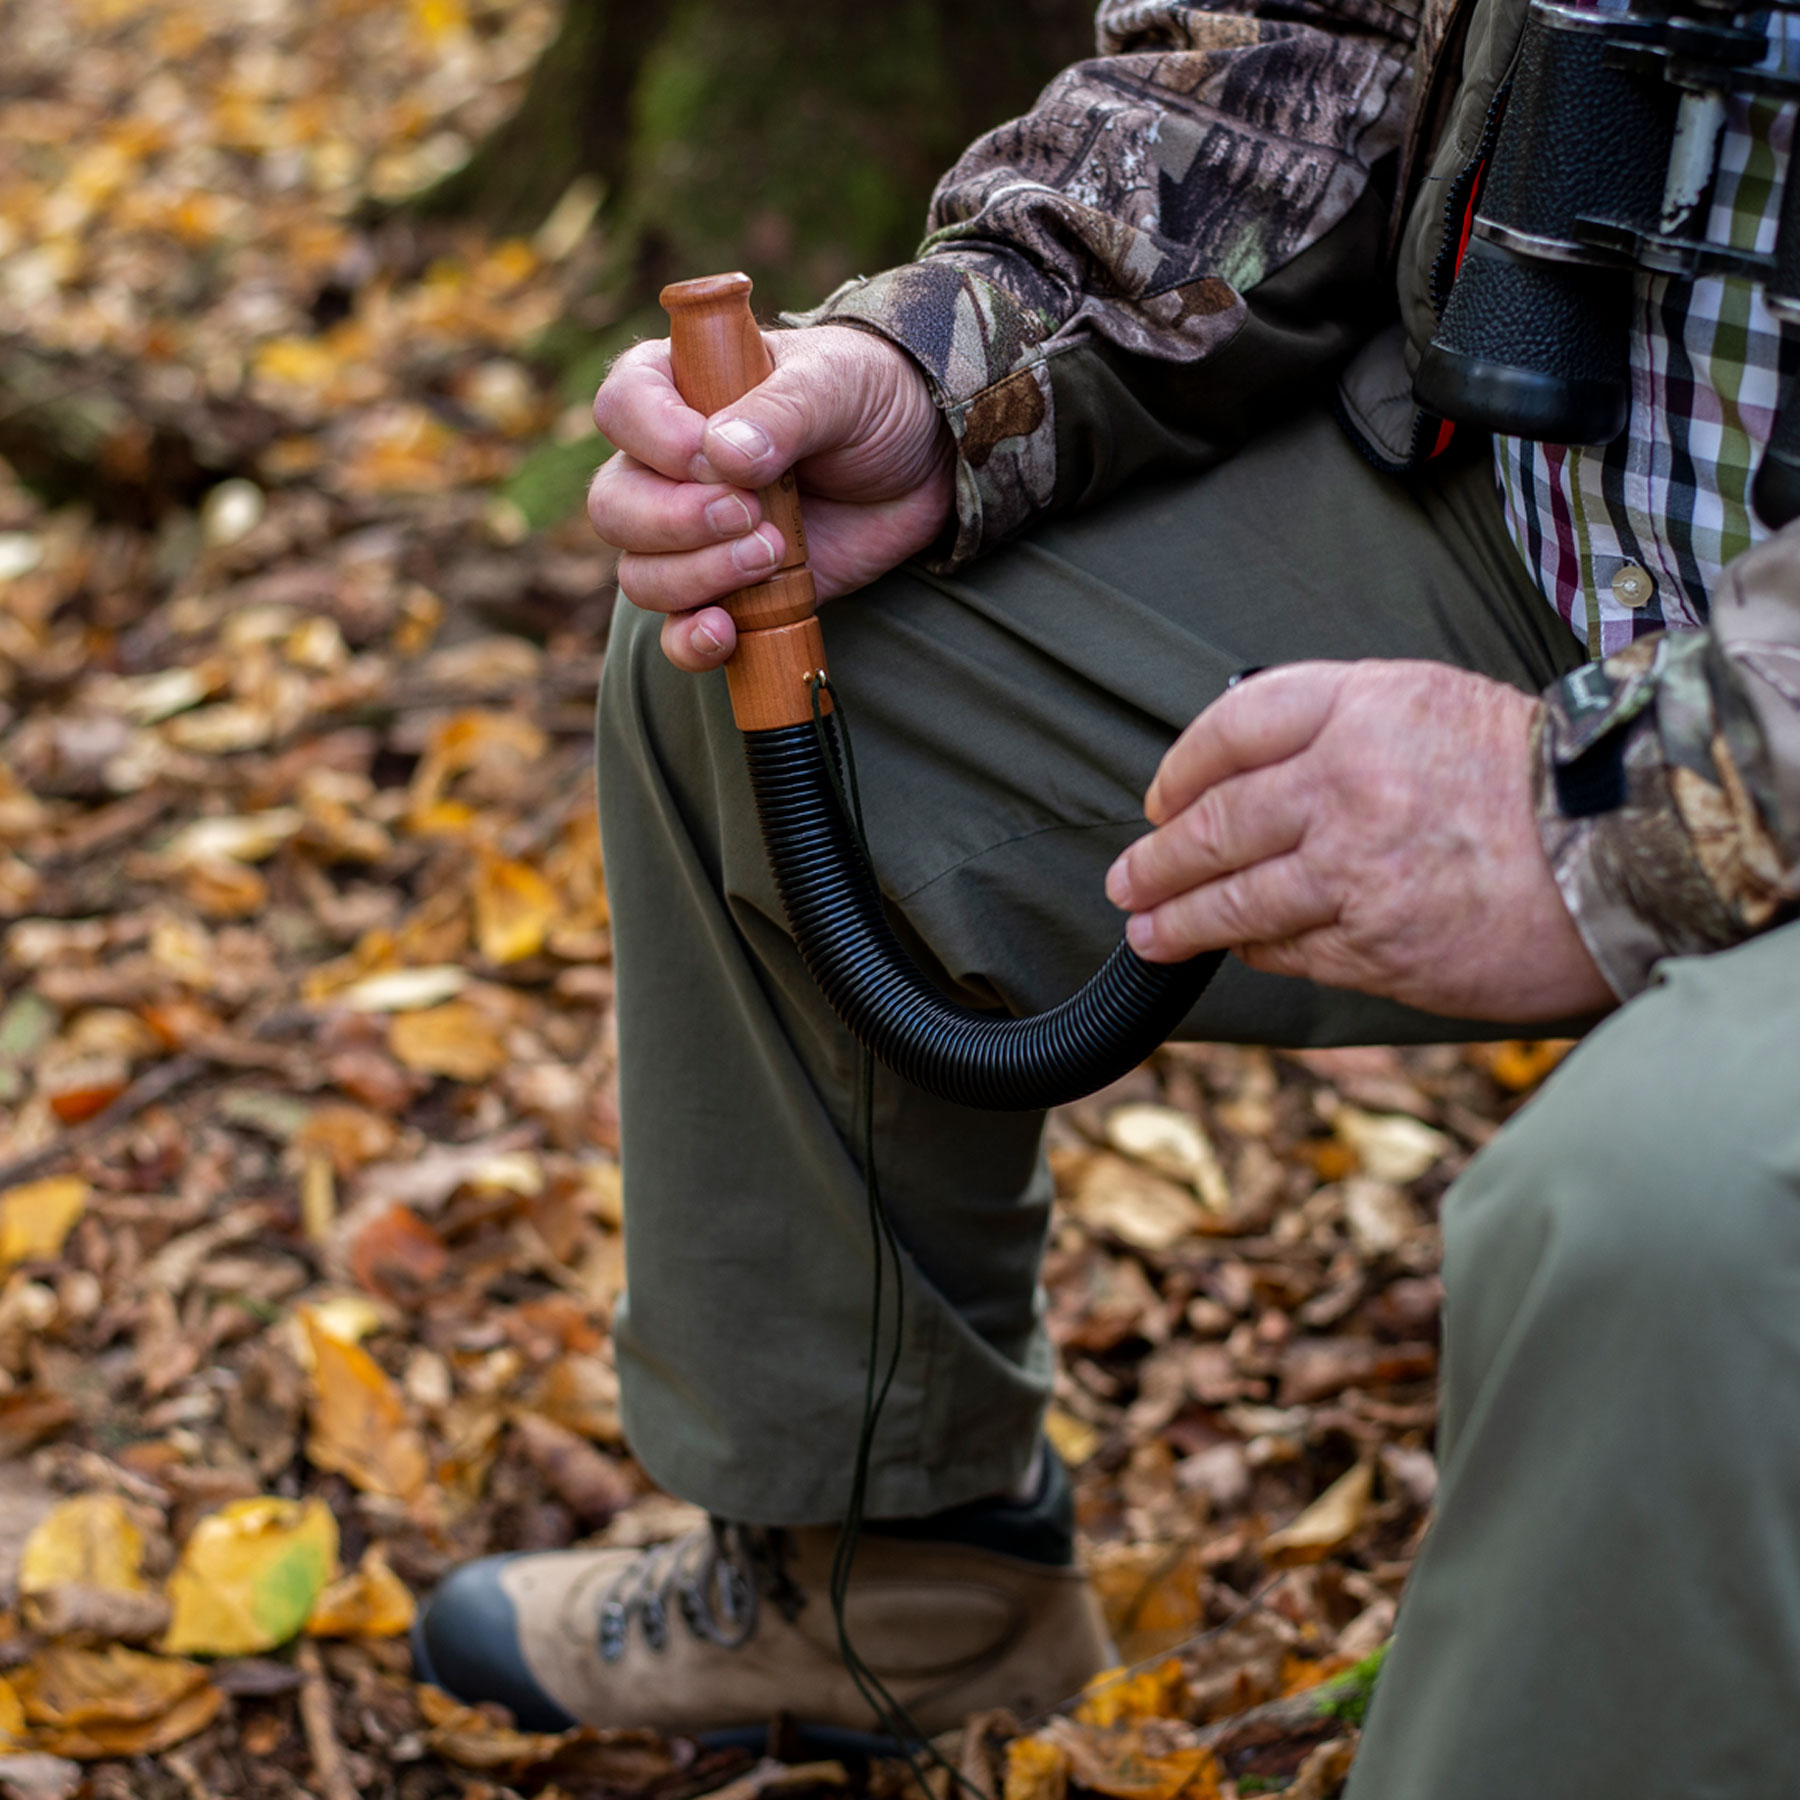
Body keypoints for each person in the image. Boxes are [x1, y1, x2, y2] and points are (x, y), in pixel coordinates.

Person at [411, 0, 1800, 1789]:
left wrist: (1631, 803)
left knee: (1665, 1219)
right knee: (789, 691)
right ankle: (894, 1581)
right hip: (1563, 520)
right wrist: (949, 368)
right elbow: (1314, 40)